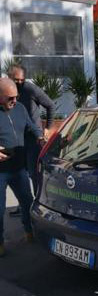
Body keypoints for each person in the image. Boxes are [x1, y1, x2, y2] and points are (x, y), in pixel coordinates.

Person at [0, 78, 44, 256]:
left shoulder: (20, 108)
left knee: (27, 201)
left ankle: (29, 231)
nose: (14, 101)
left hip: (19, 168)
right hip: (0, 171)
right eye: (10, 98)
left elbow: (30, 126)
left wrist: (40, 135)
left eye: (16, 97)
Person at [8, 64, 55, 198]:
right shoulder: (6, 90)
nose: (20, 83)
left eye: (22, 80)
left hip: (33, 138)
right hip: (16, 138)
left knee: (34, 172)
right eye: (16, 80)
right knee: (18, 172)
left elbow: (50, 105)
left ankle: (38, 202)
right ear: (9, 77)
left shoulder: (30, 89)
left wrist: (48, 128)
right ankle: (24, 204)